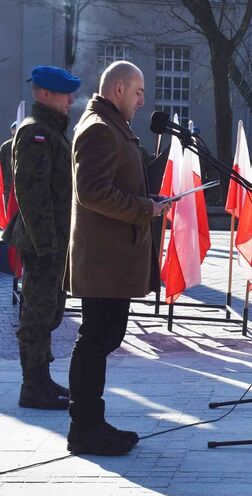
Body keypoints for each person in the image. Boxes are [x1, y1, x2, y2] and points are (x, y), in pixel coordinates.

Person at [66, 61, 169, 455]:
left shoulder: (112, 126)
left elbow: (117, 183)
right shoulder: (99, 129)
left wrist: (149, 201)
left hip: (112, 257)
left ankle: (92, 422)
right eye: (139, 92)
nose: (143, 101)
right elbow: (92, 192)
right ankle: (84, 429)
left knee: (104, 336)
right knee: (96, 339)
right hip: (102, 260)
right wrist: (144, 207)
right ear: (119, 89)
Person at [1, 67, 80, 410]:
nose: (70, 99)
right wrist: (47, 244)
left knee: (48, 311)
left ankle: (42, 378)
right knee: (36, 314)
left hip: (53, 240)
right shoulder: (36, 132)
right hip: (42, 242)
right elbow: (32, 194)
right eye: (65, 93)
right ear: (45, 93)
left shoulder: (51, 130)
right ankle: (33, 386)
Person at [1, 121, 16, 208]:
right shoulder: (6, 147)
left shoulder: (26, 144)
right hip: (8, 186)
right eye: (14, 129)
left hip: (22, 184)